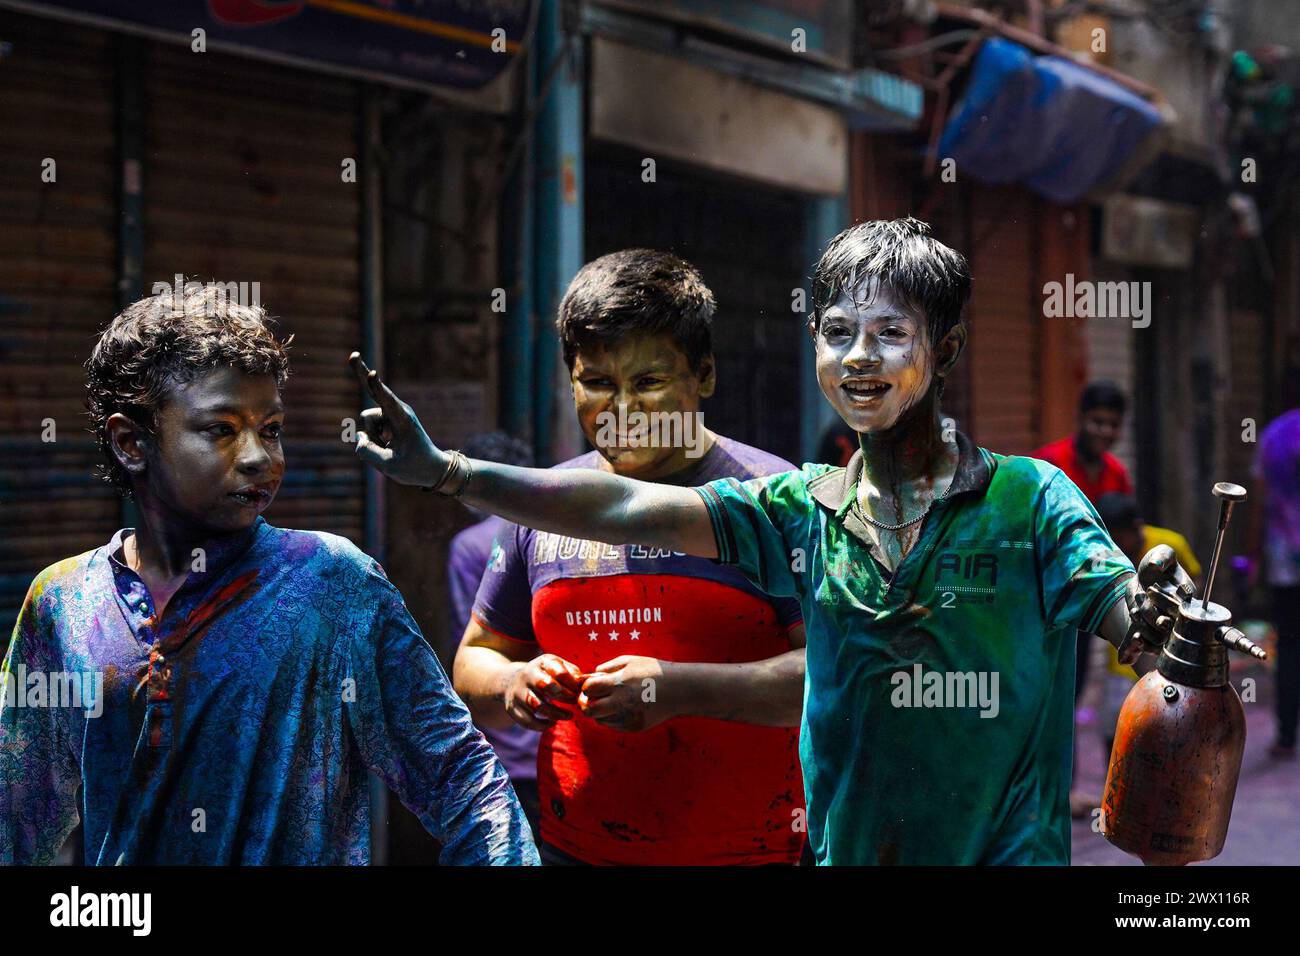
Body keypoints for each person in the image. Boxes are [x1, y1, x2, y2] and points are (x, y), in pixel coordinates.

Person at [349, 217, 1178, 865]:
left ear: (946, 348)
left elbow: (1124, 611)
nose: (860, 357)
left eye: (891, 333)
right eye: (838, 331)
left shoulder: (1028, 497)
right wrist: (450, 472)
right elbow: (620, 512)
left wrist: (1163, 627)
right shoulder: (794, 504)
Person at [0, 286, 536, 865]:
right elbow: (19, 815)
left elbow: (461, 778)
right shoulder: (63, 602)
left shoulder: (333, 584)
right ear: (132, 442)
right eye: (223, 430)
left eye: (272, 428)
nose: (261, 457)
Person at [453, 250, 806, 865]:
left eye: (648, 382)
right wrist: (517, 681)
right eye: (597, 383)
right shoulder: (542, 507)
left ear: (705, 375)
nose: (622, 411)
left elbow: (834, 677)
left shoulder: (775, 503)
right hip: (573, 848)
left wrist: (680, 689)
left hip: (751, 853)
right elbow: (474, 662)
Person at [446, 431, 541, 836]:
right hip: (557, 735)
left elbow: (470, 644)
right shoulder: (550, 530)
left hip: (503, 746)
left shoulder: (469, 545)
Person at [1094, 493, 1201, 765]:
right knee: (1115, 724)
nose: (1116, 544)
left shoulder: (1169, 545)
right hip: (1123, 653)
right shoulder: (1106, 554)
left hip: (1168, 650)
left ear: (1136, 527)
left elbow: (1194, 582)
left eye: (1119, 536)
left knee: (1169, 720)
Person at [1248, 404, 1300, 759]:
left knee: (1290, 646)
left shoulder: (1273, 435)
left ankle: (1285, 736)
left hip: (1286, 563)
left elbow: (1259, 502)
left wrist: (1253, 556)